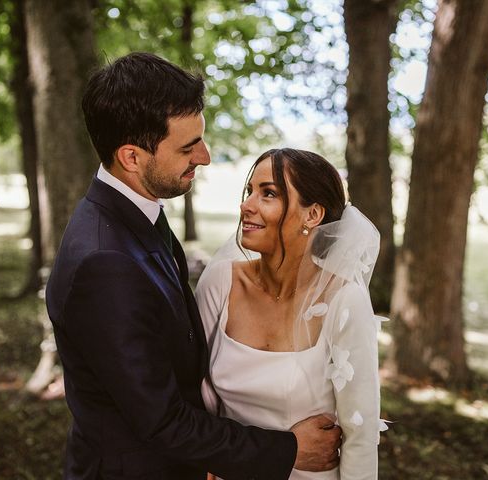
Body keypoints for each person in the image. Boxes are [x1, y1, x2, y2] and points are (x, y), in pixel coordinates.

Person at [45, 53, 342, 480]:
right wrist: (288, 450)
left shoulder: (139, 211)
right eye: (187, 147)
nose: (204, 156)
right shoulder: (104, 264)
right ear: (131, 157)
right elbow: (161, 420)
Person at [196, 148, 385, 479]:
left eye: (268, 193)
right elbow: (188, 390)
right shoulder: (221, 282)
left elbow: (361, 435)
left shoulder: (344, 301)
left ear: (312, 215)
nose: (246, 205)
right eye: (249, 191)